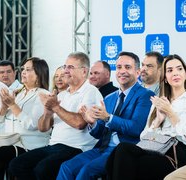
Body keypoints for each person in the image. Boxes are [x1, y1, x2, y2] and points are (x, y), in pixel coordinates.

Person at [56, 51, 155, 179]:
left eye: (128, 67)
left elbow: (136, 128)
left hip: (122, 152)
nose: (122, 71)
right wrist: (92, 122)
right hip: (102, 149)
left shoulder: (145, 95)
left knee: (86, 171)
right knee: (66, 167)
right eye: (119, 67)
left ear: (137, 72)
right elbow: (99, 133)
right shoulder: (109, 98)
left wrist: (108, 117)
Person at [105, 54, 186, 180]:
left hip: (174, 154)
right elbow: (143, 136)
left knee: (124, 160)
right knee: (119, 152)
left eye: (179, 69)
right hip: (153, 148)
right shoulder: (159, 101)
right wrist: (157, 121)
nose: (175, 73)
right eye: (170, 70)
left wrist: (171, 113)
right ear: (165, 78)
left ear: (185, 74)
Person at [8, 52, 103, 180]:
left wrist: (56, 107)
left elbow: (80, 123)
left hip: (77, 147)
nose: (65, 71)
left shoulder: (90, 92)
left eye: (70, 67)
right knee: (17, 164)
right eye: (65, 67)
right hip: (54, 145)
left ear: (84, 71)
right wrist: (47, 113)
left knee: (43, 169)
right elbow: (43, 128)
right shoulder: (62, 94)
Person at [0, 57, 51, 180]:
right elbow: (0, 120)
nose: (23, 72)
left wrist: (12, 105)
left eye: (28, 69)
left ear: (38, 73)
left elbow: (32, 125)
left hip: (28, 145)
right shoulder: (19, 93)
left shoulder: (43, 95)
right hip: (10, 142)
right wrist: (4, 106)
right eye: (23, 69)